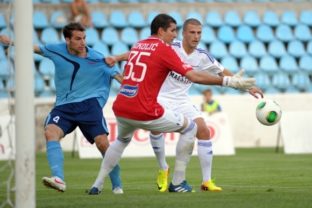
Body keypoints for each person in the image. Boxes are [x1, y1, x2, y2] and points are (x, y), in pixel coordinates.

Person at [87, 14, 256, 194]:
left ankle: (205, 181)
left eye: (199, 33)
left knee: (202, 130)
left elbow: (222, 71)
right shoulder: (168, 48)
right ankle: (170, 175)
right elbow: (193, 76)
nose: (195, 36)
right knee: (179, 128)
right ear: (178, 33)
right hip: (158, 97)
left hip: (155, 101)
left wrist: (246, 86)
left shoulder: (144, 44)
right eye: (187, 32)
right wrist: (229, 83)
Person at [0, 22, 123, 194]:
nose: (83, 42)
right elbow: (35, 48)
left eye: (84, 38)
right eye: (78, 39)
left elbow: (120, 78)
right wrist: (10, 41)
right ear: (67, 40)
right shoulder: (56, 50)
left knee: (103, 144)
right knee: (51, 132)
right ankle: (58, 178)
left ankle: (117, 185)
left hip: (90, 105)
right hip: (64, 106)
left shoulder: (98, 58)